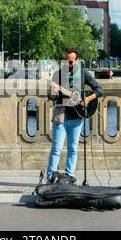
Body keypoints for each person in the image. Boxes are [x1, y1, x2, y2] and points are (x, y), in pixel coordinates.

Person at [46, 47, 104, 185]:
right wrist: (53, 91)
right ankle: (50, 176)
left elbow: (99, 90)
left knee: (73, 149)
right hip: (61, 116)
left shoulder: (84, 74)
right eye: (66, 61)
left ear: (77, 61)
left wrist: (88, 99)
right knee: (56, 148)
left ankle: (69, 175)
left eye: (71, 62)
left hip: (77, 116)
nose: (68, 64)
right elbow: (52, 97)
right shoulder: (57, 75)